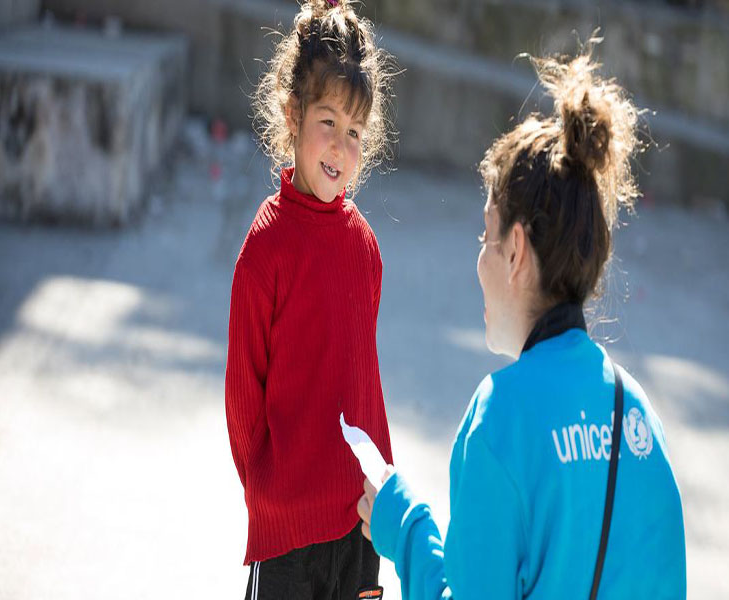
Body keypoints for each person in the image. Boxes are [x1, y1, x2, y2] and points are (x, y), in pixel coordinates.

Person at [358, 40, 687, 599]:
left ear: (515, 250)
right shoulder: (637, 418)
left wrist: (407, 528)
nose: (478, 260)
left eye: (485, 236)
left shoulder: (498, 419)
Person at [225, 0, 394, 597]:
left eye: (355, 133)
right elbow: (244, 400)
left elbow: (364, 381)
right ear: (293, 112)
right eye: (328, 122)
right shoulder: (265, 249)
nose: (341, 149)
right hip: (289, 542)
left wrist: (384, 485)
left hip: (358, 526)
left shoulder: (364, 247)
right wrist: (272, 499)